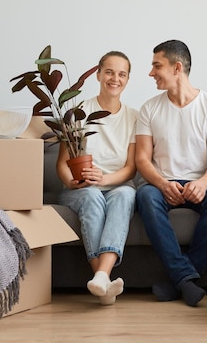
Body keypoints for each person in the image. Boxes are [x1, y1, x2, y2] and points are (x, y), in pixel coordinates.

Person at [135, 40, 207, 307]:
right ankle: (186, 279)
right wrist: (162, 184)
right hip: (160, 184)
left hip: (197, 185)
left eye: (157, 65)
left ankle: (179, 280)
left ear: (177, 67)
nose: (151, 72)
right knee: (145, 196)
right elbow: (142, 159)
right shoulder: (149, 109)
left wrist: (202, 183)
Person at [57, 51, 138, 306]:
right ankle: (102, 278)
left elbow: (131, 168)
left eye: (122, 74)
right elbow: (62, 164)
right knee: (92, 196)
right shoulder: (78, 112)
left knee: (127, 193)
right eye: (110, 72)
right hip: (81, 189)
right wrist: (71, 181)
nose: (115, 78)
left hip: (117, 184)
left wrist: (105, 179)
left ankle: (101, 278)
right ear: (99, 75)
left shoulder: (134, 117)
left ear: (127, 79)